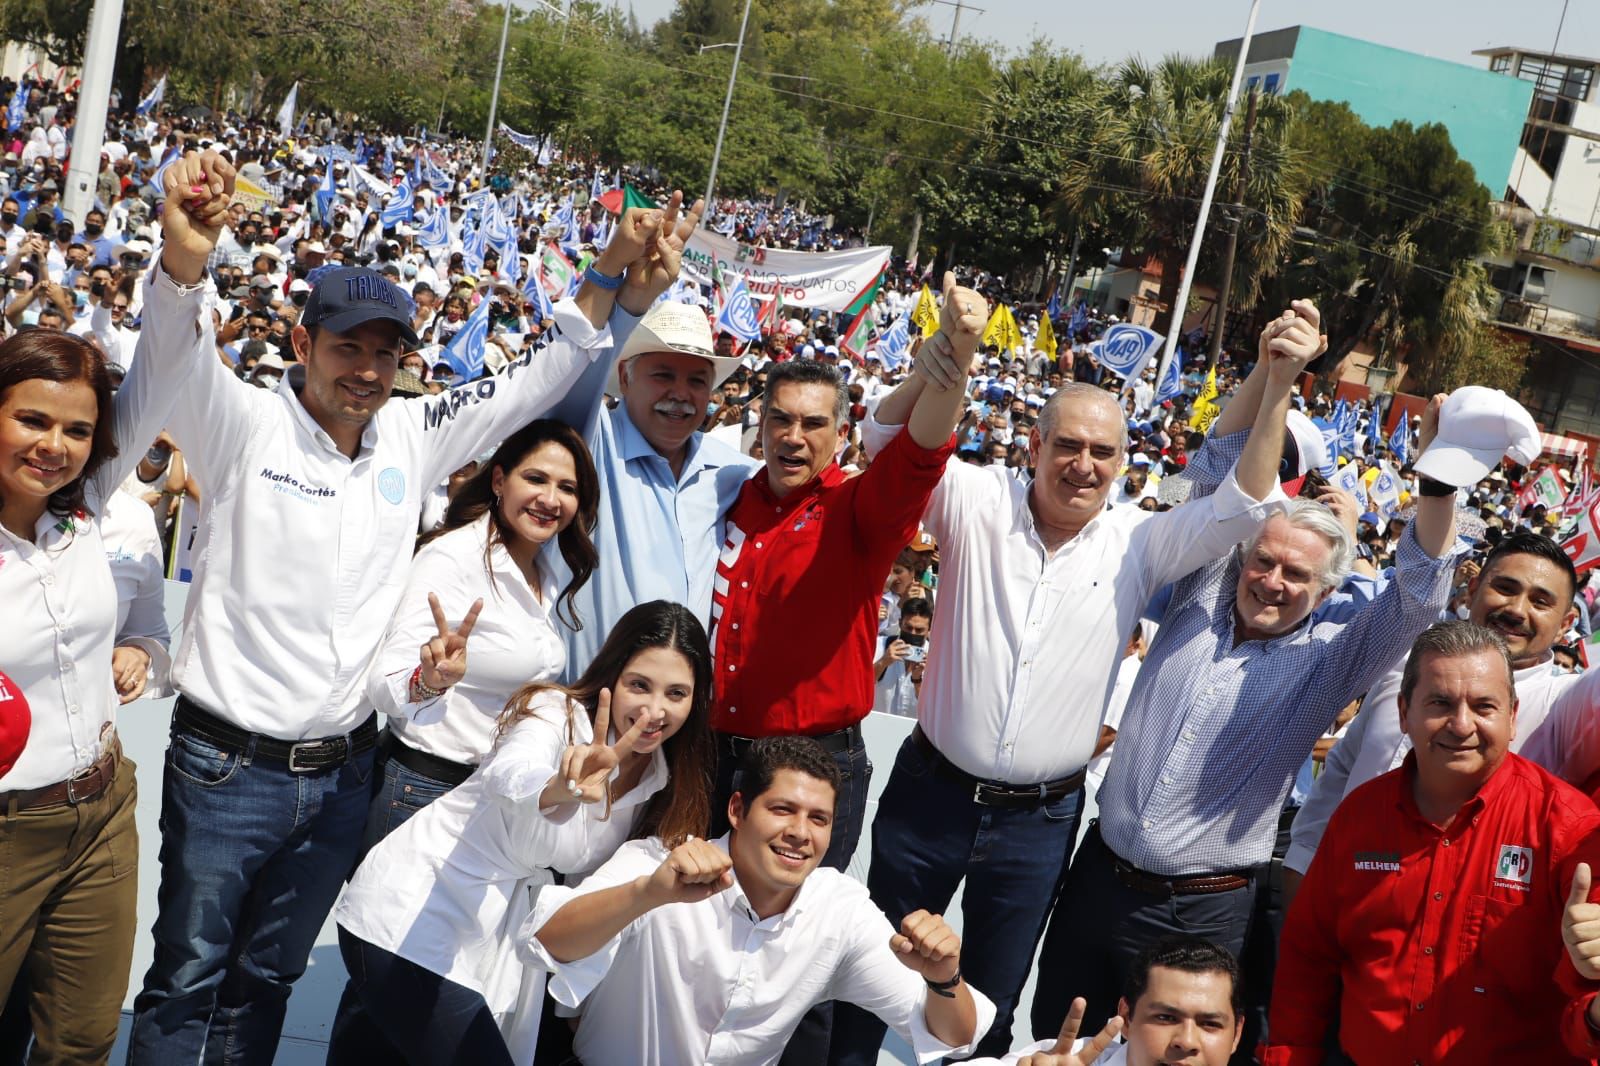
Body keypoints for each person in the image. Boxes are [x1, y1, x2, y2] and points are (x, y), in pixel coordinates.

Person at [125, 198, 672, 1065]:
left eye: (386, 352)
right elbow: (169, 353)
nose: (368, 370)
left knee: (266, 983)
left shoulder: (411, 435)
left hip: (343, 777)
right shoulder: (242, 423)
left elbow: (541, 374)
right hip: (225, 765)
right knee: (185, 979)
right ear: (302, 346)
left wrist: (606, 273)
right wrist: (186, 261)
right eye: (347, 347)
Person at [831, 300, 1315, 1063]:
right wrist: (949, 351)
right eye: (1067, 445)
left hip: (1038, 823)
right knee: (871, 967)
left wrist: (1275, 376)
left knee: (989, 1002)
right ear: (1034, 444)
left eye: (1103, 452)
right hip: (930, 794)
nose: (1083, 465)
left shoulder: (1141, 543)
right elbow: (886, 439)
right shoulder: (973, 498)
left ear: (1125, 463)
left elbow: (1243, 505)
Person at [1029, 377, 1466, 1035]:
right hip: (1096, 880)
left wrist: (1435, 482)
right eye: (1264, 562)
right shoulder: (1201, 588)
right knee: (1053, 1040)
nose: (1272, 581)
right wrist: (1272, 378)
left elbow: (1418, 596)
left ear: (1325, 591)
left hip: (1200, 911)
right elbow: (1196, 480)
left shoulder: (1328, 657)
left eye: (1296, 576)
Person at [0, 150, 226, 1063]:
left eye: (78, 429)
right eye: (31, 420)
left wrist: (182, 261)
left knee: (82, 1042)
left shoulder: (90, 508)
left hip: (98, 812)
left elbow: (165, 366)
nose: (55, 446)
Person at [329, 600, 715, 1065]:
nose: (654, 710)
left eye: (676, 693)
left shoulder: (665, 782)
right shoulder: (557, 713)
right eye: (639, 685)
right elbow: (510, 773)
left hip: (496, 952)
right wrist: (559, 788)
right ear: (613, 675)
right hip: (413, 918)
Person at [325, 418, 600, 1053]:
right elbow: (388, 684)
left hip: (490, 804)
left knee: (421, 987)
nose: (550, 498)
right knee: (392, 983)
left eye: (567, 486)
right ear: (498, 479)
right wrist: (430, 677)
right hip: (423, 791)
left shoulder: (547, 571)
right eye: (535, 478)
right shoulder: (450, 558)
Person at [524, 736, 997, 1066]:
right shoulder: (658, 863)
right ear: (736, 810)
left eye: (819, 819)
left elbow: (954, 1036)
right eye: (782, 809)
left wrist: (943, 979)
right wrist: (647, 895)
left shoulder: (840, 910)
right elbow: (549, 941)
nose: (800, 833)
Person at [1264, 621, 1600, 1064]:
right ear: (1404, 713)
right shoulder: (1359, 817)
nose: (1461, 725)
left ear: (1513, 716)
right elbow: (1308, 960)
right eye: (1440, 703)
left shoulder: (1568, 830)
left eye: (1484, 706)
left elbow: (1587, 1015)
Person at [1287, 531, 1594, 892]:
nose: (1516, 609)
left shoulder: (1566, 704)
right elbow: (1342, 768)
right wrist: (1299, 870)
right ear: (1474, 587)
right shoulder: (1404, 661)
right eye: (1506, 588)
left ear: (1567, 623)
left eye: (1541, 601)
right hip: (1338, 911)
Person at [541, 193, 758, 679]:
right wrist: (628, 294)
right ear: (626, 375)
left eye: (697, 381)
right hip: (582, 712)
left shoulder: (733, 474)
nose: (680, 395)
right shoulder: (588, 445)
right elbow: (573, 365)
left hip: (677, 728)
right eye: (663, 374)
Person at [970, 937, 1243, 1066]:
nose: (1186, 1041)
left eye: (1209, 1024)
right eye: (1166, 1018)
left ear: (1237, 1035)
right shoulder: (1070, 1061)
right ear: (1125, 1018)